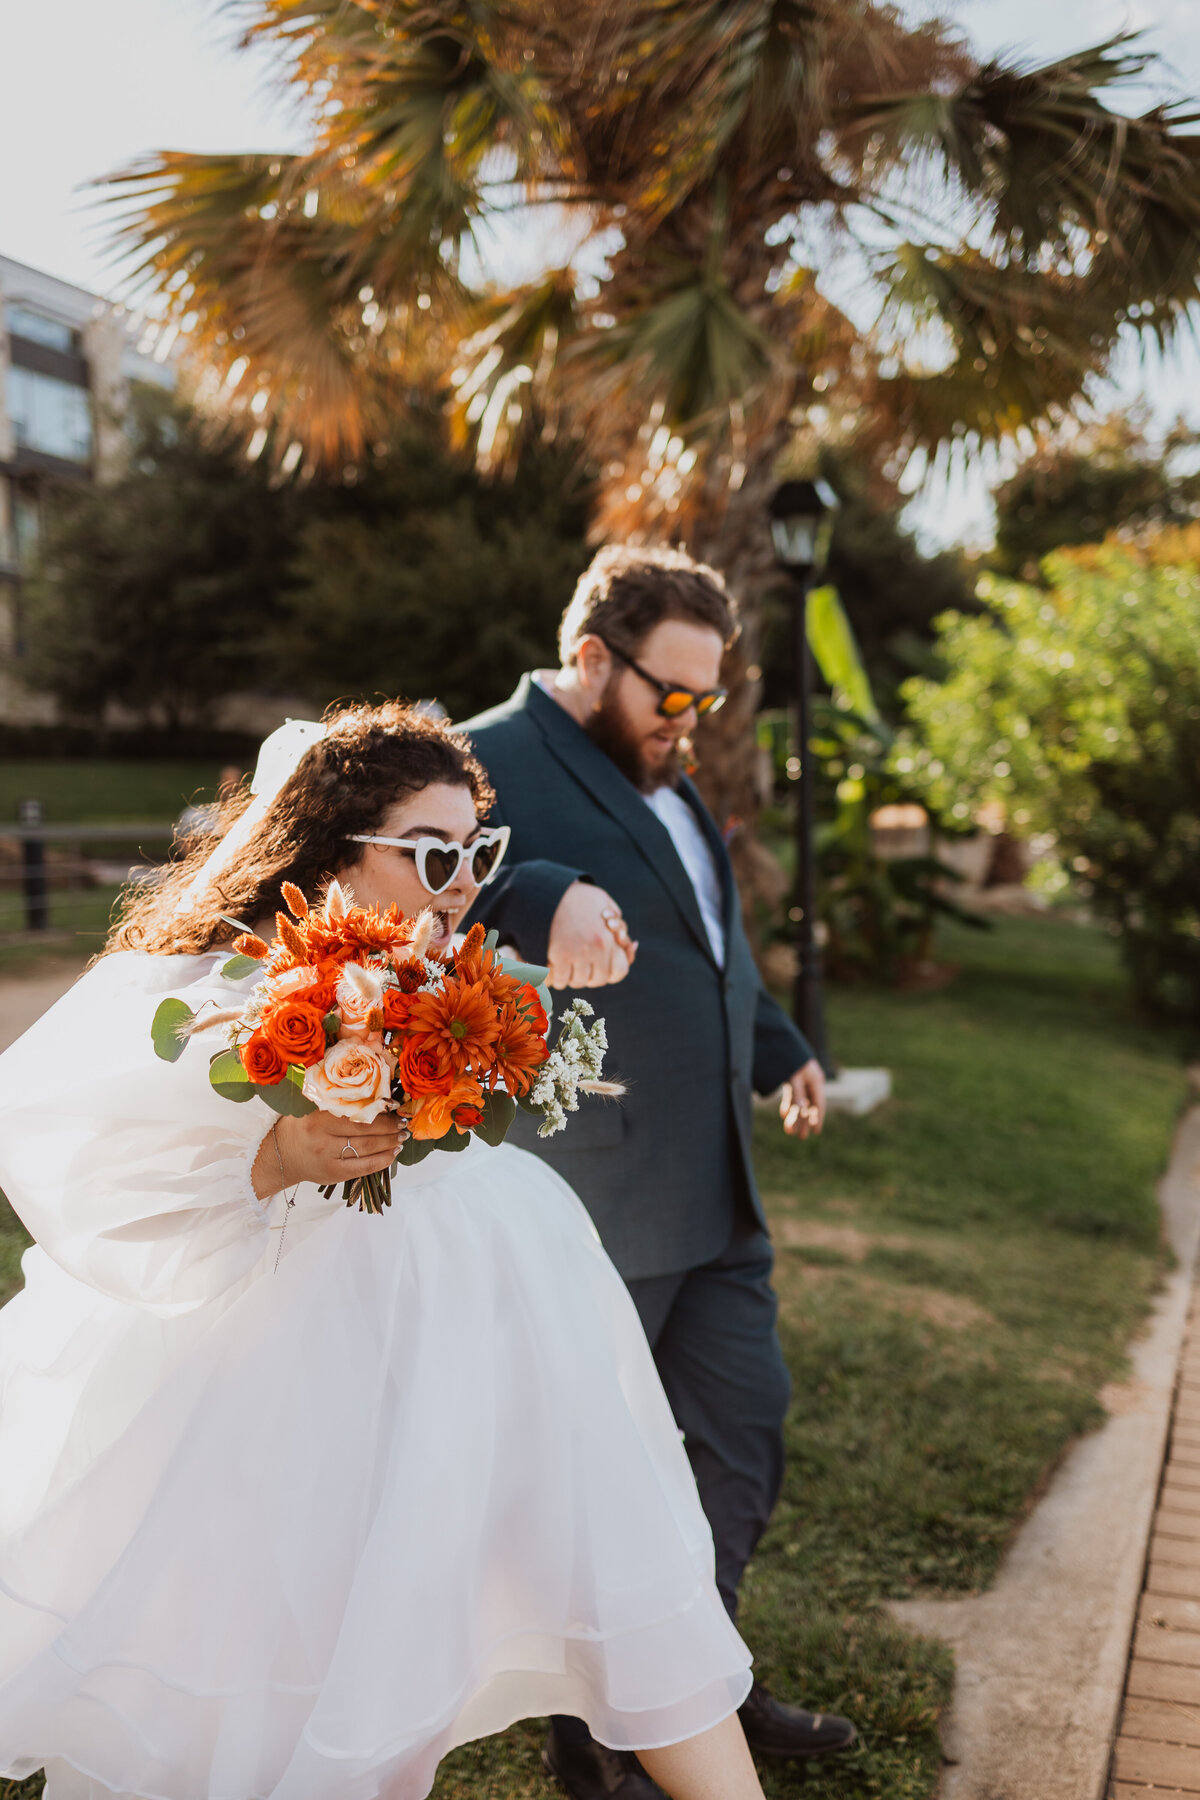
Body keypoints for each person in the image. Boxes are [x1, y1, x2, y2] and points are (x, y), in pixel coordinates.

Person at [0, 703, 770, 1800]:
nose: (463, 881)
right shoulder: (236, 1000)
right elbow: (86, 1151)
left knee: (623, 1559)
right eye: (433, 854)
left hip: (493, 1289)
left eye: (478, 851)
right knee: (303, 1645)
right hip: (296, 1351)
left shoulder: (461, 981)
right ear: (327, 854)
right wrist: (277, 1152)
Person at [460, 547, 857, 1799]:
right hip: (597, 1199)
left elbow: (709, 942)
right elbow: (417, 893)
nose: (690, 721)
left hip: (720, 1185)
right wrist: (541, 890)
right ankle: (602, 1733)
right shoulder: (480, 755)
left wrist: (781, 1045)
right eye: (670, 695)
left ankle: (699, 1689)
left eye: (708, 698)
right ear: (591, 658)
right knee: (600, 1483)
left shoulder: (671, 778)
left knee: (742, 1441)